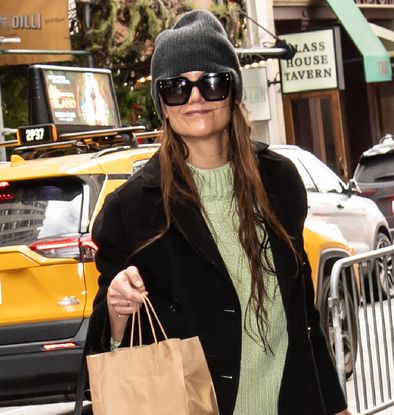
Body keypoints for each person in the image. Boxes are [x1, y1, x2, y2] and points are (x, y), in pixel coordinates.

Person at [85, 9, 351, 415]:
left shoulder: (279, 181)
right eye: (176, 87)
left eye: (212, 83)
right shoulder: (131, 208)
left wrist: (335, 405)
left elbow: (303, 315)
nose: (194, 98)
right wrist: (118, 311)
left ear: (233, 92)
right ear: (163, 102)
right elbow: (103, 344)